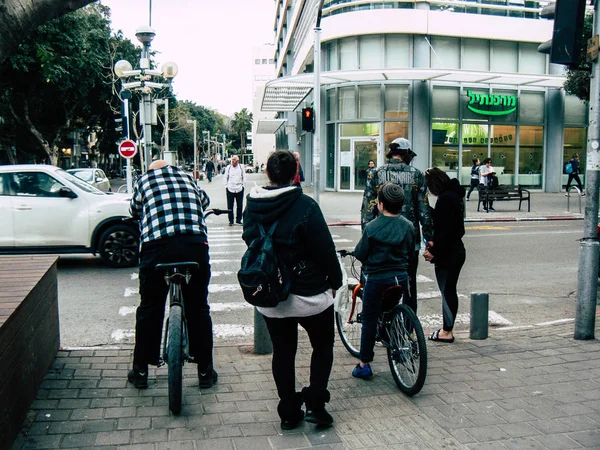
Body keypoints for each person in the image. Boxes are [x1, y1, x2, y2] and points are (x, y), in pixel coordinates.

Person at [242, 150, 343, 430]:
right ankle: (316, 405)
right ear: (295, 174)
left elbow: (250, 239)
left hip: (271, 295)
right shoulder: (305, 206)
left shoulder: (252, 205)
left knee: (283, 353)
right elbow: (325, 250)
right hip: (310, 295)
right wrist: (336, 282)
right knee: (322, 345)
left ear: (267, 173)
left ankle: (288, 411)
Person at [127, 160, 217, 390]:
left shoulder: (143, 181)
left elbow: (134, 211)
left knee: (150, 307)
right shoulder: (188, 178)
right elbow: (205, 202)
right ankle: (205, 370)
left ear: (151, 170)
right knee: (198, 307)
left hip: (156, 249)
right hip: (194, 246)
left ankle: (140, 370)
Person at [361, 137, 434, 315]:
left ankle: (383, 322)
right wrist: (429, 237)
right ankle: (408, 326)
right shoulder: (416, 175)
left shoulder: (375, 174)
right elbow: (423, 208)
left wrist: (367, 234)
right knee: (409, 283)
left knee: (381, 280)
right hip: (409, 238)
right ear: (406, 154)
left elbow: (368, 207)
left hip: (380, 236)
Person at [352, 183, 415, 379]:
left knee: (369, 320)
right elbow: (412, 250)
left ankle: (364, 364)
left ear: (380, 204)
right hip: (400, 277)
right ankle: (395, 336)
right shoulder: (408, 226)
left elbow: (361, 253)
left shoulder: (372, 227)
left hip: (377, 278)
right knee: (392, 306)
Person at [423, 168, 466, 343]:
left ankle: (446, 332)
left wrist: (433, 251)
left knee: (447, 291)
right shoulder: (454, 195)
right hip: (455, 251)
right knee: (449, 290)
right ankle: (446, 329)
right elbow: (448, 222)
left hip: (449, 253)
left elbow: (447, 231)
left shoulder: (446, 199)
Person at [223, 155, 246, 226]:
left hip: (239, 188)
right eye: (232, 160)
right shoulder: (228, 168)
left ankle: (238, 220)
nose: (232, 161)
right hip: (230, 188)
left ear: (237, 161)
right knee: (230, 205)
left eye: (234, 160)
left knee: (239, 205)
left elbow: (244, 177)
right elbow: (225, 177)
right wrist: (226, 186)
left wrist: (243, 186)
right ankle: (231, 221)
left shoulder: (241, 167)